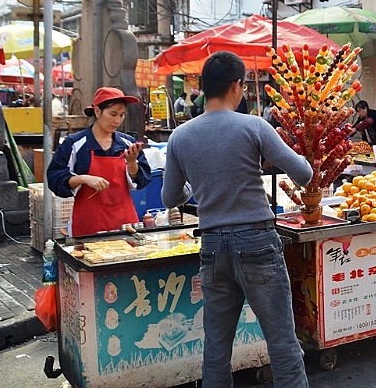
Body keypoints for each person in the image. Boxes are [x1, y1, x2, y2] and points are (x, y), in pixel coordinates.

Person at [161, 51, 312, 388]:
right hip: (257, 243)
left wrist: (196, 189)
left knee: (216, 348)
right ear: (235, 86)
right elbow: (303, 172)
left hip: (212, 247)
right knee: (282, 344)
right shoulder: (254, 126)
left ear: (204, 88)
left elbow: (170, 198)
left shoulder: (180, 137)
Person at [47, 87, 152, 237]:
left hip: (124, 221)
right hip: (87, 222)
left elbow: (142, 179)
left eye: (122, 115)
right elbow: (54, 177)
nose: (117, 120)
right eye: (113, 114)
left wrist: (131, 162)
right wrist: (83, 178)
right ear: (97, 111)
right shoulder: (75, 143)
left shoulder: (128, 143)